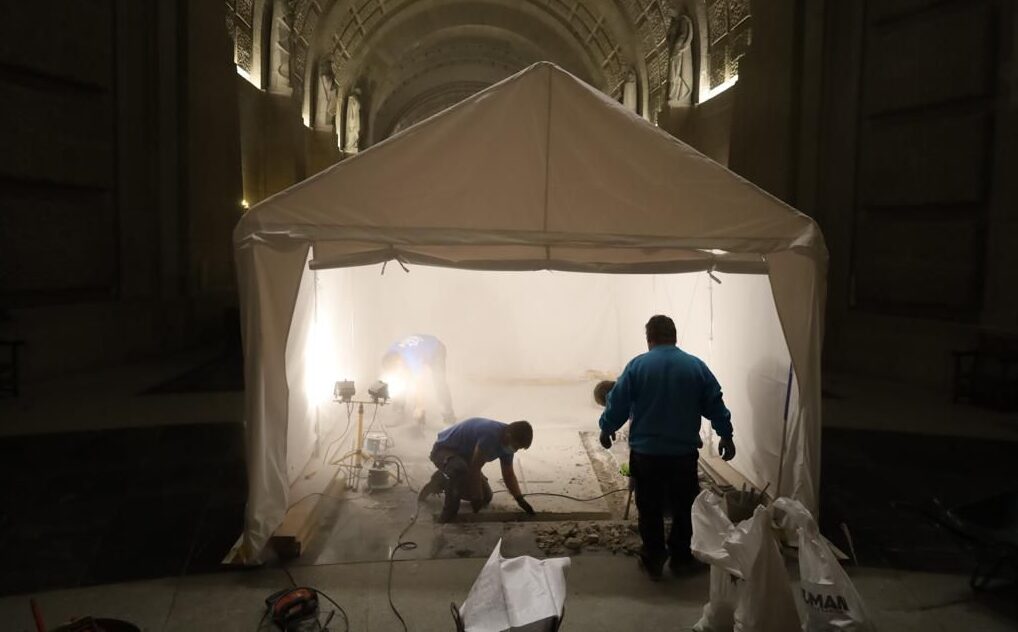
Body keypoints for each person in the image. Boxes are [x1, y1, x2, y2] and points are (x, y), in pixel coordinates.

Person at [598, 315, 735, 580]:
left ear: (649, 338)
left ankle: (653, 558)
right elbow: (715, 403)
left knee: (649, 507)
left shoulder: (637, 366)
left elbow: (617, 403)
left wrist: (606, 428)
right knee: (684, 507)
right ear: (674, 336)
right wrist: (725, 435)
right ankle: (681, 558)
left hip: (647, 454)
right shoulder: (695, 367)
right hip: (682, 455)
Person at [418, 417, 536, 523]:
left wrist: (520, 500)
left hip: (466, 458)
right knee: (459, 470)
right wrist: (476, 496)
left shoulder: (508, 445)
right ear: (508, 436)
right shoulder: (490, 435)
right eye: (515, 446)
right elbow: (475, 468)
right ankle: (449, 510)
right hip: (444, 450)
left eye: (518, 448)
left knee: (486, 497)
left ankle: (444, 481)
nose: (515, 450)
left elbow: (508, 475)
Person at [381, 334, 455, 426]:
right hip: (421, 349)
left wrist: (419, 406)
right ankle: (398, 412)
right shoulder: (391, 351)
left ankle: (449, 417)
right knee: (402, 380)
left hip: (436, 350)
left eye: (397, 368)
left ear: (399, 361)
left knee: (439, 382)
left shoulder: (411, 357)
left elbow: (420, 384)